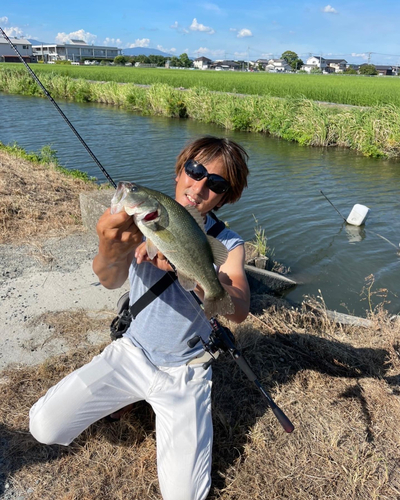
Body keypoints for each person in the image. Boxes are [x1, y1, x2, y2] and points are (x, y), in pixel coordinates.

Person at [29, 136, 250, 500]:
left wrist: (204, 279)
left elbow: (238, 308)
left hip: (185, 369)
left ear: (227, 196)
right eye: (194, 171)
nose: (199, 187)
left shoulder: (228, 243)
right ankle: (128, 396)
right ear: (179, 171)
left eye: (216, 184)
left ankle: (137, 401)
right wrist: (110, 246)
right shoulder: (141, 220)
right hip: (132, 352)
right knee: (43, 426)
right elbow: (109, 279)